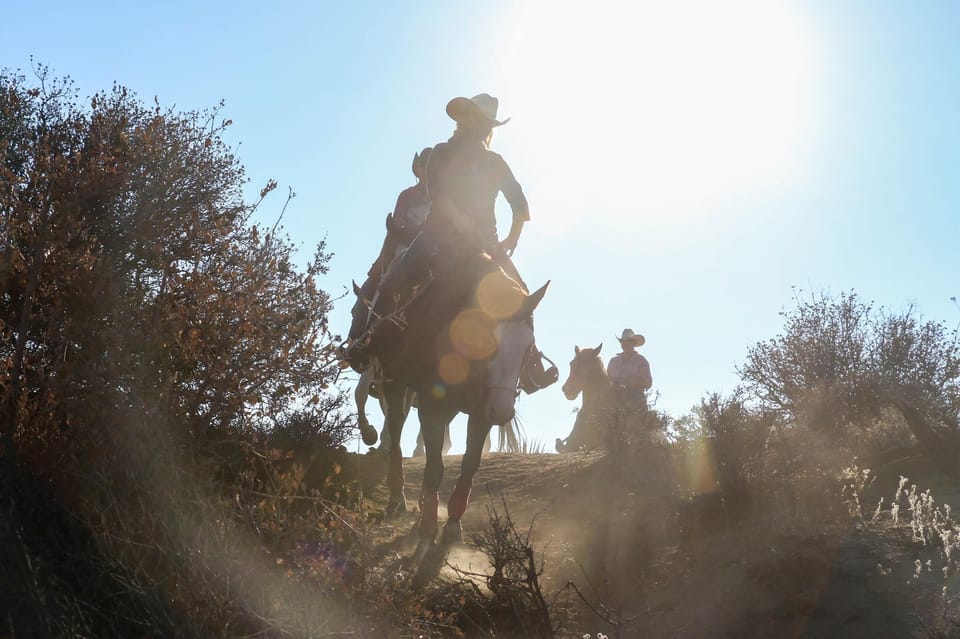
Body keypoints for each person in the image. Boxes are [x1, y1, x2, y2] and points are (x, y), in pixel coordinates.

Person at [367, 147, 433, 283]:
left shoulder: (438, 197)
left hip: (430, 243)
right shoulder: (407, 195)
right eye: (423, 166)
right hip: (406, 242)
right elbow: (396, 226)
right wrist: (382, 257)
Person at [608, 329, 653, 413]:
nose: (625, 344)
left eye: (628, 341)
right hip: (613, 399)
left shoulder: (641, 361)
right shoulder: (613, 361)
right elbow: (607, 379)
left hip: (635, 401)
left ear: (633, 343)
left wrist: (627, 384)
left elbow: (648, 383)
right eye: (623, 341)